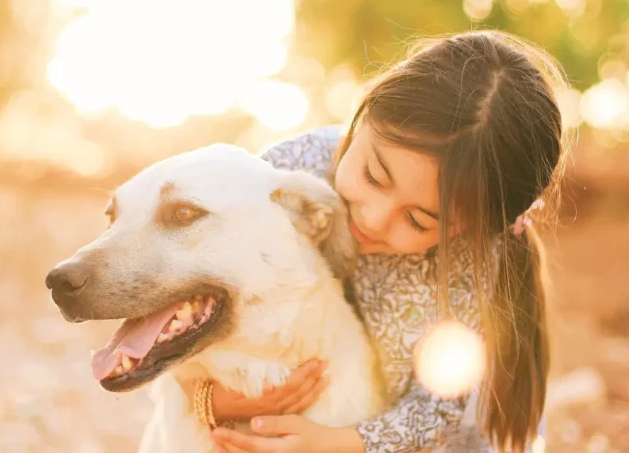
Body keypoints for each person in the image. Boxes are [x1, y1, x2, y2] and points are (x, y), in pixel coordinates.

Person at [187, 30, 568, 452]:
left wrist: (336, 444)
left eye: (418, 220)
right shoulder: (284, 178)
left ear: (470, 232)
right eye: (372, 176)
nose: (373, 218)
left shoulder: (471, 267)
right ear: (367, 109)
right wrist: (211, 399)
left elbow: (437, 409)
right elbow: (191, 295)